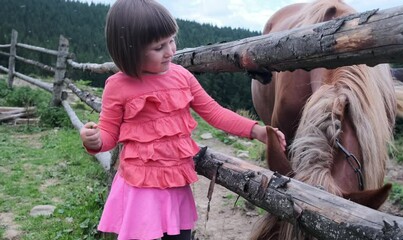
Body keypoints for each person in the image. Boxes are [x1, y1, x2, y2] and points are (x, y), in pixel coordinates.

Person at [79, 0, 286, 239]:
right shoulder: (117, 86)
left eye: (171, 40)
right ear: (129, 50)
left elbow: (214, 112)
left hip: (175, 184)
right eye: (159, 47)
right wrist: (94, 140)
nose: (171, 51)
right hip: (139, 187)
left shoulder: (182, 77)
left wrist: (255, 130)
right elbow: (108, 135)